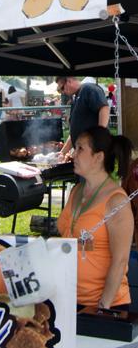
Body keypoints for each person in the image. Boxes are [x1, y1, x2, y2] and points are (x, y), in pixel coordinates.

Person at [57, 126, 133, 310]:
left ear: (98, 157)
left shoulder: (116, 201)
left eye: (81, 149)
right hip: (69, 301)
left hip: (104, 306)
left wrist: (102, 308)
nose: (73, 154)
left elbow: (120, 260)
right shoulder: (76, 191)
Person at [56, 76, 110, 160]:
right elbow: (74, 131)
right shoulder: (76, 98)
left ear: (69, 81)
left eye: (62, 88)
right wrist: (62, 152)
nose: (62, 92)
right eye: (60, 90)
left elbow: (104, 108)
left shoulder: (89, 89)